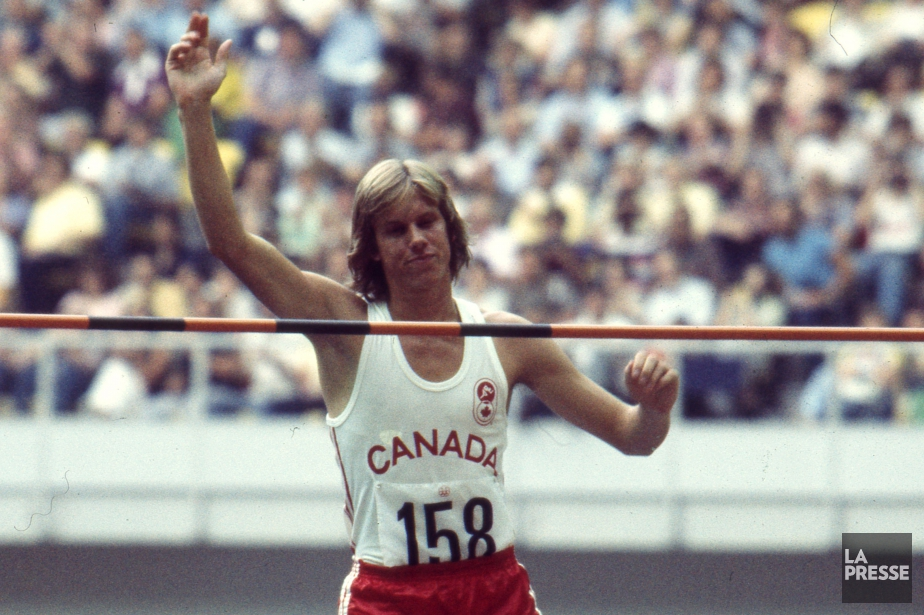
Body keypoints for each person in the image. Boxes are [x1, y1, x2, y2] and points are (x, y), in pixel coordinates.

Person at [166, 13, 679, 614]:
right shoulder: (346, 329)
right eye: (395, 229)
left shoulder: (508, 341)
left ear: (450, 231)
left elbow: (632, 436)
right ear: (372, 249)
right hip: (390, 595)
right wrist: (195, 111)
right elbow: (229, 242)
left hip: (494, 591)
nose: (415, 239)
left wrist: (655, 408)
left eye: (427, 222)